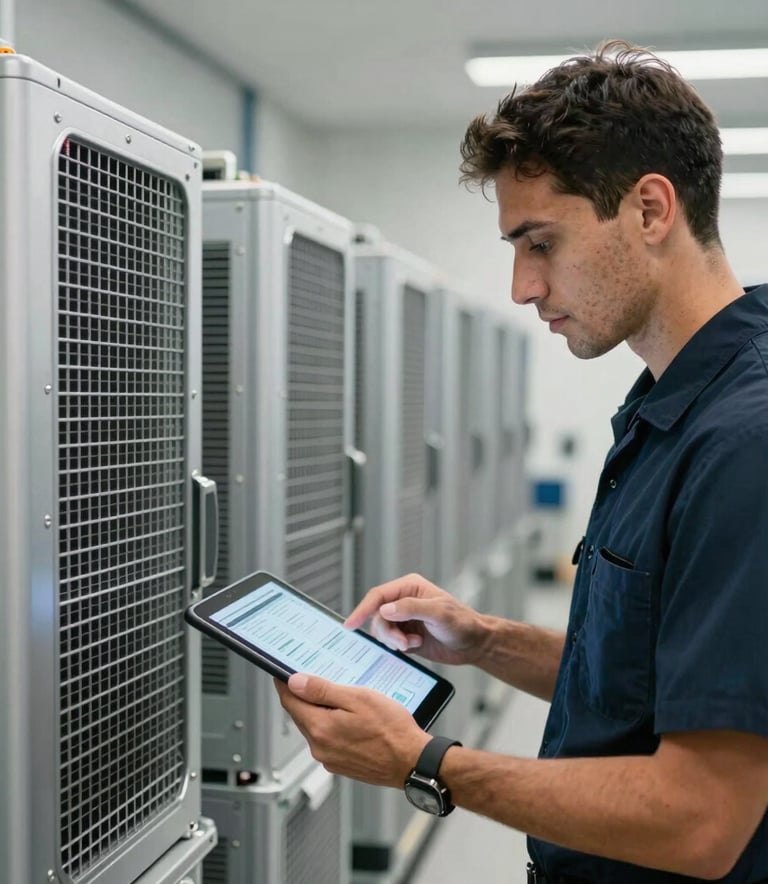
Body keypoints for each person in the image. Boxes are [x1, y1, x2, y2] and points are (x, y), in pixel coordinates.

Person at [275, 39, 768, 882]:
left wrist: (426, 763)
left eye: (538, 242)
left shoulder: (742, 444)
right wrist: (485, 639)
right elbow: (644, 684)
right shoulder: (668, 406)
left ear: (651, 210)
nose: (521, 286)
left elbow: (701, 819)